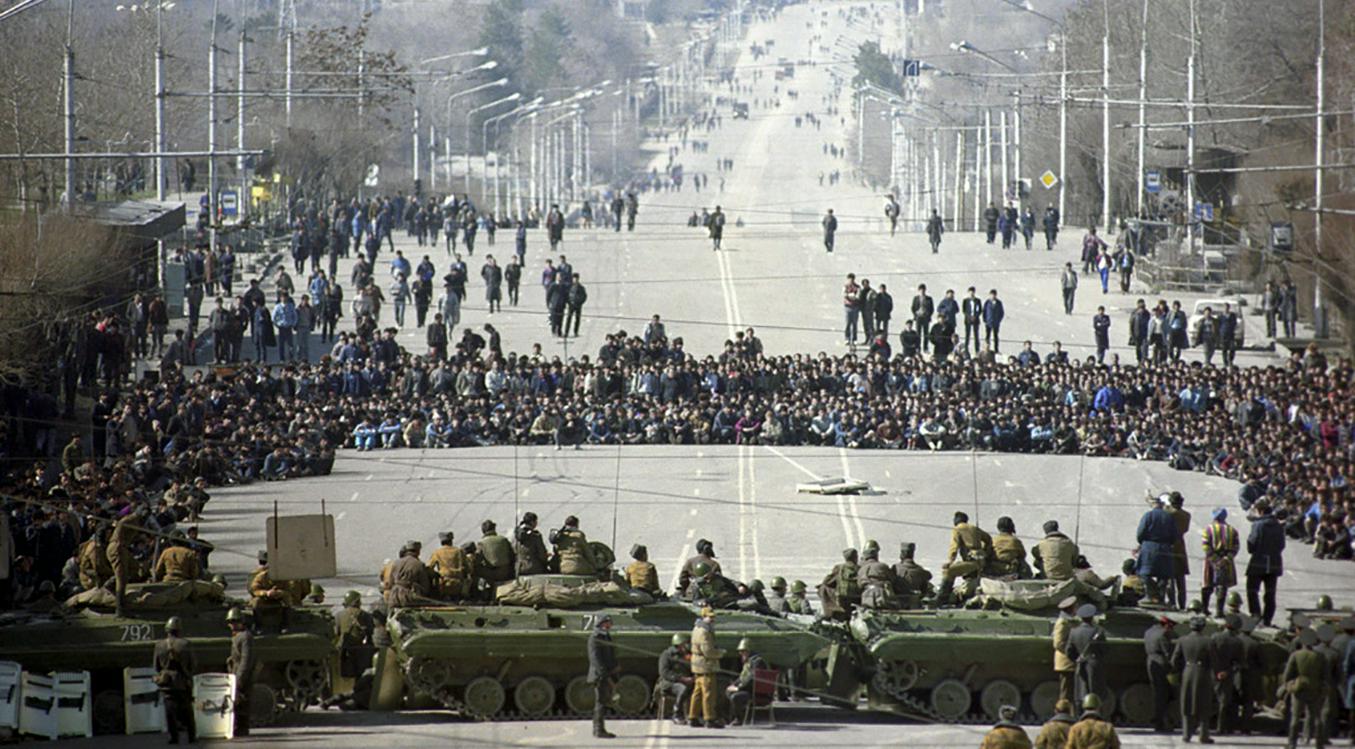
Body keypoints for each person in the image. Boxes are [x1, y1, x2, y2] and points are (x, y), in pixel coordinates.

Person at [1171, 615, 1216, 744]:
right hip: (1203, 673)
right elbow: (1214, 660)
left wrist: (1180, 670)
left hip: (1188, 671)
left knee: (1186, 703)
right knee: (1204, 704)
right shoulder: (1208, 641)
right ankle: (1204, 735)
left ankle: (1186, 734)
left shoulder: (1182, 640)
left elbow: (1174, 660)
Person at [1283, 628, 1329, 749]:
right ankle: (1319, 743)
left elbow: (1287, 675)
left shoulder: (1296, 655)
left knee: (1295, 717)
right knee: (1316, 717)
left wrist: (1289, 686)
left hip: (1299, 688)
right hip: (1316, 688)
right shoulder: (1320, 656)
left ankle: (1292, 743)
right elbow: (1326, 675)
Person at [154, 615, 196, 745]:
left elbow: (156, 666)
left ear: (167, 630)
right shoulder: (185, 644)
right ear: (179, 630)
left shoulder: (159, 645)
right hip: (182, 681)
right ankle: (191, 736)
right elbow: (192, 664)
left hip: (166, 682)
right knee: (187, 710)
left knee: (169, 712)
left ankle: (173, 737)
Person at [937, 511, 993, 607]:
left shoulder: (958, 529)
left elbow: (954, 546)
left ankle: (941, 598)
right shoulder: (974, 528)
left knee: (949, 571)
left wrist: (950, 561)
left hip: (972, 562)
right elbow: (988, 539)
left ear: (957, 520)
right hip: (980, 561)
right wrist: (985, 552)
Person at [1245, 499, 1285, 626]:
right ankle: (1267, 619)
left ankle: (1255, 614)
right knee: (1270, 593)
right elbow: (1281, 545)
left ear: (1260, 511)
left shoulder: (1258, 525)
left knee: (1252, 589)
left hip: (1258, 562)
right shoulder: (1278, 525)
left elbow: (1252, 544)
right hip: (1274, 563)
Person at [1136, 495, 1177, 604]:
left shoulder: (1148, 516)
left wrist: (1143, 543)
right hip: (1165, 548)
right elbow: (1175, 536)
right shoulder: (1169, 517)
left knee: (1145, 572)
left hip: (1149, 547)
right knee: (1163, 575)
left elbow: (1140, 533)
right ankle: (1160, 597)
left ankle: (1151, 594)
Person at [1066, 603, 1109, 709]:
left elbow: (1069, 651)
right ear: (1092, 617)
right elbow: (1104, 650)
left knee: (1081, 691)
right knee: (1096, 691)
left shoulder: (1074, 632)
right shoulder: (1098, 631)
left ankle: (1080, 713)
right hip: (1094, 664)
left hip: (1080, 663)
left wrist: (1076, 659)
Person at [689, 607, 725, 728]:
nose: (712, 619)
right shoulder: (704, 631)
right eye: (710, 617)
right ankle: (709, 719)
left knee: (697, 693)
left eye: (713, 617)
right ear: (704, 616)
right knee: (708, 693)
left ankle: (692, 717)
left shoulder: (696, 628)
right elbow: (708, 651)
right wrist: (720, 653)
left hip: (697, 664)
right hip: (705, 665)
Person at [1200, 508, 1239, 618]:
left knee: (1207, 584)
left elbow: (1205, 545)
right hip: (1226, 562)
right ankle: (1219, 611)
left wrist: (1215, 559)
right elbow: (1236, 547)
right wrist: (1226, 558)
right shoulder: (1232, 530)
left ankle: (1204, 609)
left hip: (1211, 561)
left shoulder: (1208, 529)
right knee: (1222, 586)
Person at [1211, 614, 1245, 736]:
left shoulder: (1214, 637)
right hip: (1227, 674)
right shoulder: (1237, 642)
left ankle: (1202, 724)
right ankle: (1220, 728)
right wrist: (1227, 672)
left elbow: (1210, 656)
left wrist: (1216, 671)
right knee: (1223, 702)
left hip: (1212, 673)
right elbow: (1239, 662)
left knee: (1207, 700)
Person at [587, 614, 618, 739]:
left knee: (604, 702)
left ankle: (600, 729)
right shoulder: (595, 638)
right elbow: (596, 660)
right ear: (602, 623)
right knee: (600, 703)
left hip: (607, 673)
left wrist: (615, 667)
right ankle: (598, 730)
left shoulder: (605, 636)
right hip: (600, 675)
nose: (610, 625)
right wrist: (605, 675)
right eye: (608, 622)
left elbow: (610, 654)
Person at [1143, 615, 1176, 733]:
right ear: (1167, 625)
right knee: (1163, 694)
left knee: (1157, 692)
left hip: (1150, 662)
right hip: (1161, 664)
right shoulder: (1163, 634)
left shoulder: (1149, 631)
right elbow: (1167, 652)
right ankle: (1160, 722)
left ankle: (1159, 721)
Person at [226, 607, 256, 737]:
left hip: (243, 674)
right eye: (231, 622)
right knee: (238, 702)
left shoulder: (245, 637)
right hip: (236, 672)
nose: (233, 624)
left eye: (236, 621)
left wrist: (239, 678)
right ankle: (239, 727)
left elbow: (246, 659)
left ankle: (242, 728)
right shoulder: (238, 636)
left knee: (242, 701)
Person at [726, 638, 767, 725]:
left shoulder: (757, 662)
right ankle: (729, 717)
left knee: (736, 697)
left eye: (743, 651)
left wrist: (739, 688)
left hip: (754, 691)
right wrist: (733, 685)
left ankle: (739, 719)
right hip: (747, 688)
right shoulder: (748, 662)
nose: (741, 653)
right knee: (727, 691)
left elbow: (752, 679)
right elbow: (742, 677)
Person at [335, 590, 374, 678]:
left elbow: (336, 633)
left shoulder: (339, 615)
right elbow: (370, 632)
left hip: (344, 650)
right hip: (360, 649)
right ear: (357, 602)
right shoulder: (365, 615)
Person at [657, 633, 692, 724]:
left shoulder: (687, 655)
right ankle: (676, 714)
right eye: (685, 644)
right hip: (669, 683)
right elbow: (664, 673)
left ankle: (694, 715)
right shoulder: (667, 655)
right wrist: (681, 678)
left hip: (686, 681)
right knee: (682, 688)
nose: (687, 646)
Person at [384, 540, 432, 607]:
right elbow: (425, 586)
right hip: (409, 599)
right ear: (418, 551)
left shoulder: (396, 562)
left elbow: (390, 583)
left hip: (394, 597)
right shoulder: (419, 564)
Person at [427, 531, 470, 601]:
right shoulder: (459, 551)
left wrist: (436, 575)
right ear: (451, 540)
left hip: (443, 586)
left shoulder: (437, 552)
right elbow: (469, 569)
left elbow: (429, 568)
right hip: (459, 586)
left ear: (441, 542)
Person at [513, 512, 550, 577]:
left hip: (519, 568)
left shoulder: (515, 536)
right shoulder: (535, 536)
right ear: (532, 522)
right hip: (534, 568)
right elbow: (542, 555)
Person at [962, 287, 982, 354]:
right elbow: (964, 310)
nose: (971, 293)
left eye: (972, 292)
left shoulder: (978, 300)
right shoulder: (965, 300)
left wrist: (975, 316)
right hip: (968, 320)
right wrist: (969, 316)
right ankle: (966, 349)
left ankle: (977, 350)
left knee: (976, 335)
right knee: (967, 335)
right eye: (970, 292)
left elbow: (980, 310)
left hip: (976, 319)